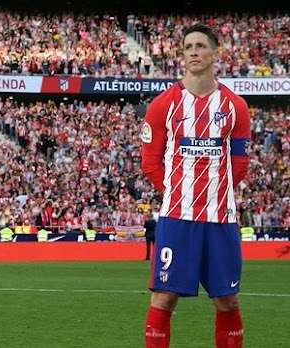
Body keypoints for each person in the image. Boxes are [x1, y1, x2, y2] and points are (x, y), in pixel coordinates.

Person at [139, 24, 251, 348]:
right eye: (188, 47)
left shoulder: (235, 107)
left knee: (227, 300)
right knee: (163, 299)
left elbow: (239, 165)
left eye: (201, 46)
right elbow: (150, 162)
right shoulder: (163, 105)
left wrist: (213, 192)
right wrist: (179, 192)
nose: (193, 52)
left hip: (221, 220)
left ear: (215, 52)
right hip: (177, 218)